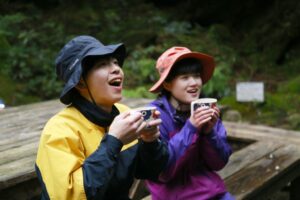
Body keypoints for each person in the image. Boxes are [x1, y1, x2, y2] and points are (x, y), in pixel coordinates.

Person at [35, 35, 169, 200]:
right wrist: (113, 141)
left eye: (115, 62)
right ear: (80, 83)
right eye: (102, 64)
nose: (116, 69)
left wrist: (150, 142)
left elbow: (148, 170)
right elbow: (70, 196)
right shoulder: (59, 130)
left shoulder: (123, 113)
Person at [146, 46, 234, 200]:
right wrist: (191, 128)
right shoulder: (155, 115)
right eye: (184, 77)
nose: (194, 83)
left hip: (211, 192)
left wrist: (209, 132)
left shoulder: (206, 108)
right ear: (167, 84)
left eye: (196, 75)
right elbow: (164, 172)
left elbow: (219, 163)